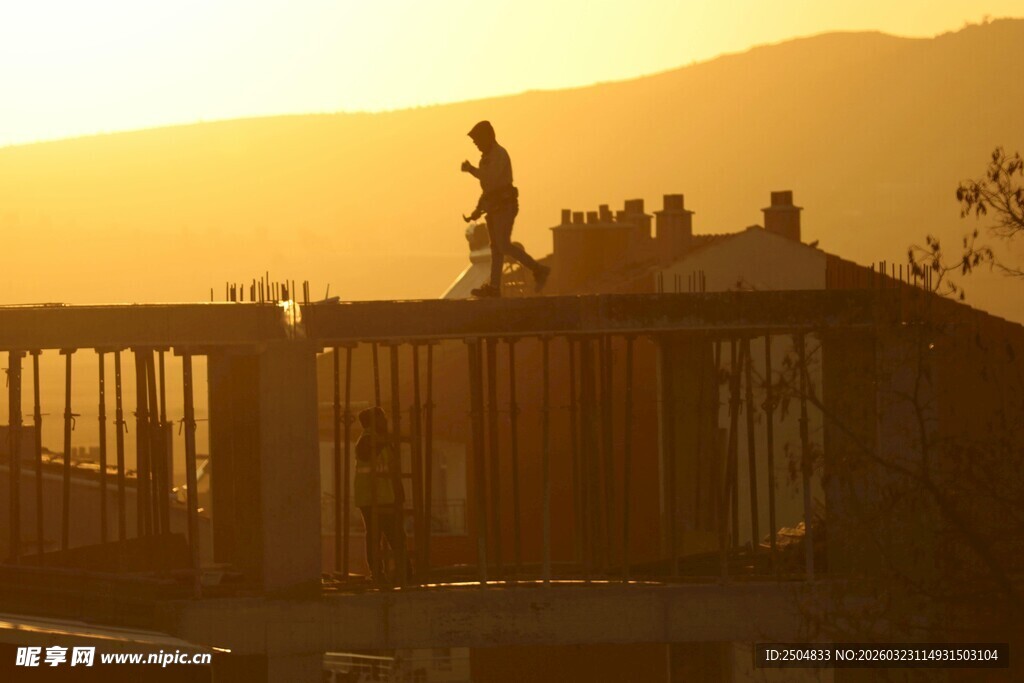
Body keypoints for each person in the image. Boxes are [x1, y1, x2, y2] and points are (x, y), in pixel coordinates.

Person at [461, 120, 550, 297]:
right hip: (495, 208)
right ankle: (494, 288)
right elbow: (487, 188)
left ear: (488, 137)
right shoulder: (486, 158)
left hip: (505, 206)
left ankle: (538, 269)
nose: (477, 144)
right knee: (496, 248)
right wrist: (477, 210)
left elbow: (491, 180)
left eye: (478, 140)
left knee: (503, 245)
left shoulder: (499, 155)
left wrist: (471, 170)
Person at [354, 407, 411, 584]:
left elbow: (392, 470)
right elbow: (367, 454)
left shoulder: (382, 442)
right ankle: (379, 575)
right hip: (372, 499)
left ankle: (404, 573)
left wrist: (399, 494)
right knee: (376, 538)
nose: (386, 421)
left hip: (386, 497)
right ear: (373, 421)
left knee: (395, 537)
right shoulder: (366, 441)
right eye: (382, 418)